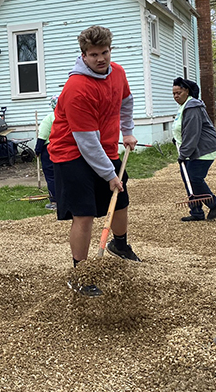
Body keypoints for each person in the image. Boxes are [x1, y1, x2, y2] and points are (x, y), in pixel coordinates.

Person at [48, 25, 139, 297]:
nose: (101, 59)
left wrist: (128, 130)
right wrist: (109, 174)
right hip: (70, 152)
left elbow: (126, 102)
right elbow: (86, 141)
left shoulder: (118, 73)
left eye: (105, 52)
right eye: (94, 54)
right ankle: (80, 274)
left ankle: (119, 245)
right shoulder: (77, 87)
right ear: (83, 56)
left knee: (120, 200)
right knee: (84, 213)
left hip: (105, 146)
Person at [172, 77, 216, 222]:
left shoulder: (192, 106)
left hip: (203, 149)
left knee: (194, 178)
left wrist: (184, 153)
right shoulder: (184, 106)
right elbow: (183, 129)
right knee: (188, 179)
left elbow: (192, 133)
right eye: (173, 93)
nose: (176, 96)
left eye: (178, 92)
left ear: (187, 91)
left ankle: (214, 204)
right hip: (190, 150)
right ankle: (196, 212)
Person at [35, 95, 58, 211]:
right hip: (65, 148)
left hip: (50, 150)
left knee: (51, 176)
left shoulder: (49, 119)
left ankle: (54, 201)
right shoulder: (68, 116)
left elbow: (42, 136)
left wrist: (37, 150)